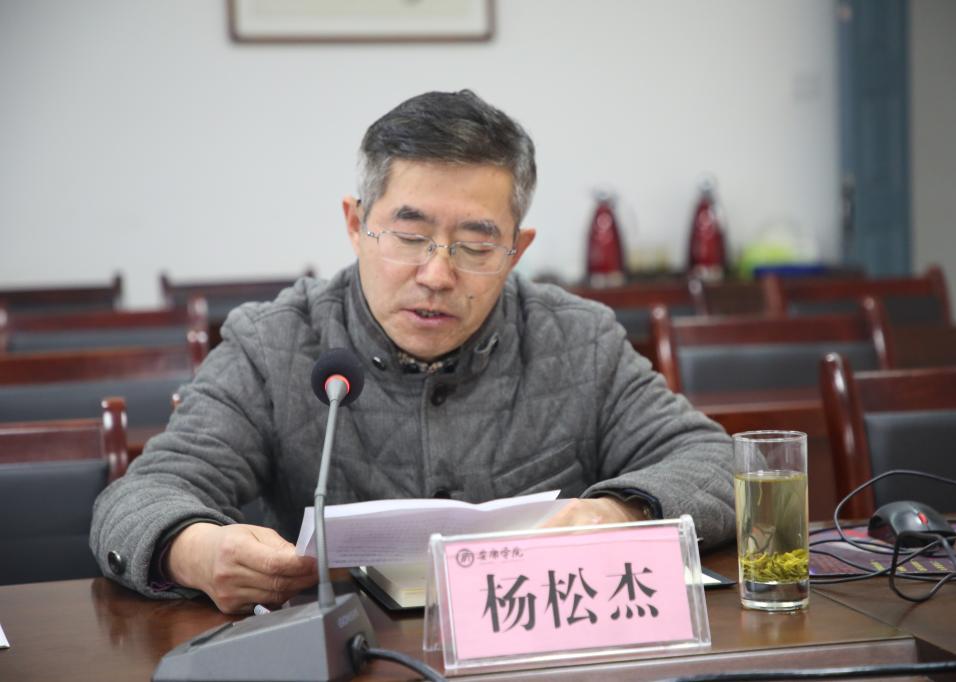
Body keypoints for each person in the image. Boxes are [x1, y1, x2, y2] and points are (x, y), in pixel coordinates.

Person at [90, 89, 735, 614]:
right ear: (355, 224)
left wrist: (619, 510)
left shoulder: (578, 340)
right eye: (409, 236)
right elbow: (141, 497)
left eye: (476, 246)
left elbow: (716, 462)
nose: (436, 274)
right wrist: (198, 550)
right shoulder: (275, 343)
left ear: (517, 249)